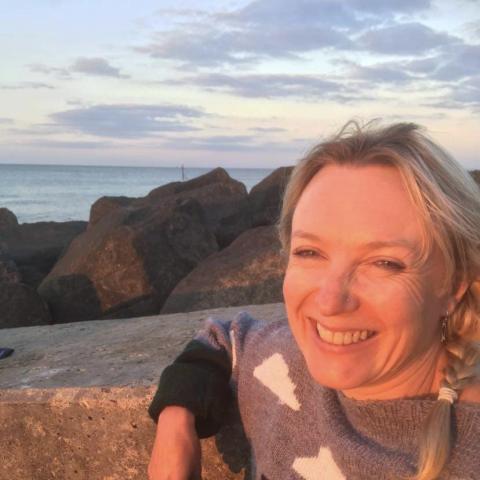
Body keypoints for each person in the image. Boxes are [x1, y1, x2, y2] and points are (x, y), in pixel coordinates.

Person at [148, 122, 480, 480]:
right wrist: (176, 419)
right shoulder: (282, 365)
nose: (330, 301)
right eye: (309, 252)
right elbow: (223, 338)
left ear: (454, 285)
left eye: (383, 262)